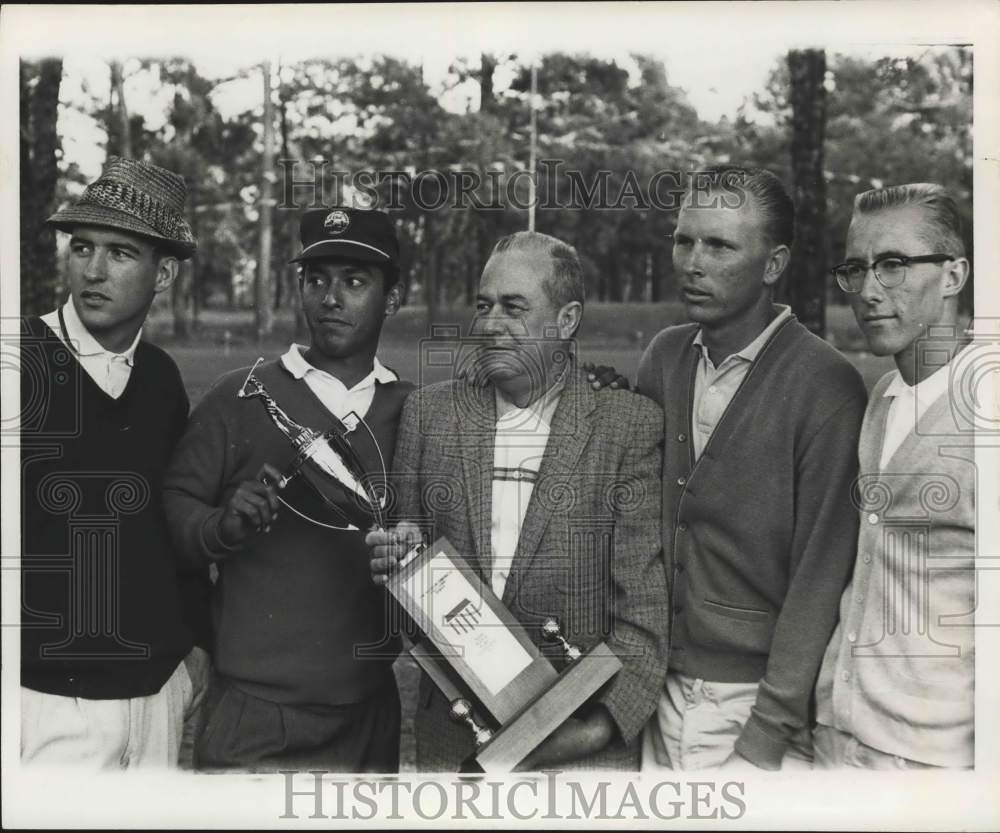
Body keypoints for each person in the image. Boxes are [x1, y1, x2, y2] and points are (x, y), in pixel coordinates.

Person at [369, 230, 669, 771]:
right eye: (483, 305)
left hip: (580, 759)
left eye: (514, 307)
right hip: (456, 746)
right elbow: (406, 583)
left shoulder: (628, 425)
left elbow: (642, 618)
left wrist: (588, 732)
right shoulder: (428, 415)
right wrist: (394, 563)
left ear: (568, 320)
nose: (490, 324)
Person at [635, 166, 869, 771]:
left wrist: (765, 736)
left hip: (755, 710)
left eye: (719, 245)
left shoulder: (826, 385)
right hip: (658, 693)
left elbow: (821, 576)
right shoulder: (664, 357)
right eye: (684, 240)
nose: (692, 261)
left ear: (773, 264)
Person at [162, 207, 412, 772]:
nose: (331, 297)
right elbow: (174, 509)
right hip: (255, 714)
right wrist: (222, 527)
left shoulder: (414, 409)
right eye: (316, 279)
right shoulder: (240, 395)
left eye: (354, 281)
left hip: (367, 711)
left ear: (392, 298)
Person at [20, 156, 211, 768]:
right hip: (43, 703)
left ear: (164, 274)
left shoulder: (160, 379)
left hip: (155, 695)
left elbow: (170, 525)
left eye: (121, 253)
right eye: (81, 247)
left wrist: (195, 645)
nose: (93, 271)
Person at [814, 183, 975, 770]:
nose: (868, 291)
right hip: (837, 735)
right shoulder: (882, 396)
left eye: (894, 266)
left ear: (954, 275)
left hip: (931, 761)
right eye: (856, 269)